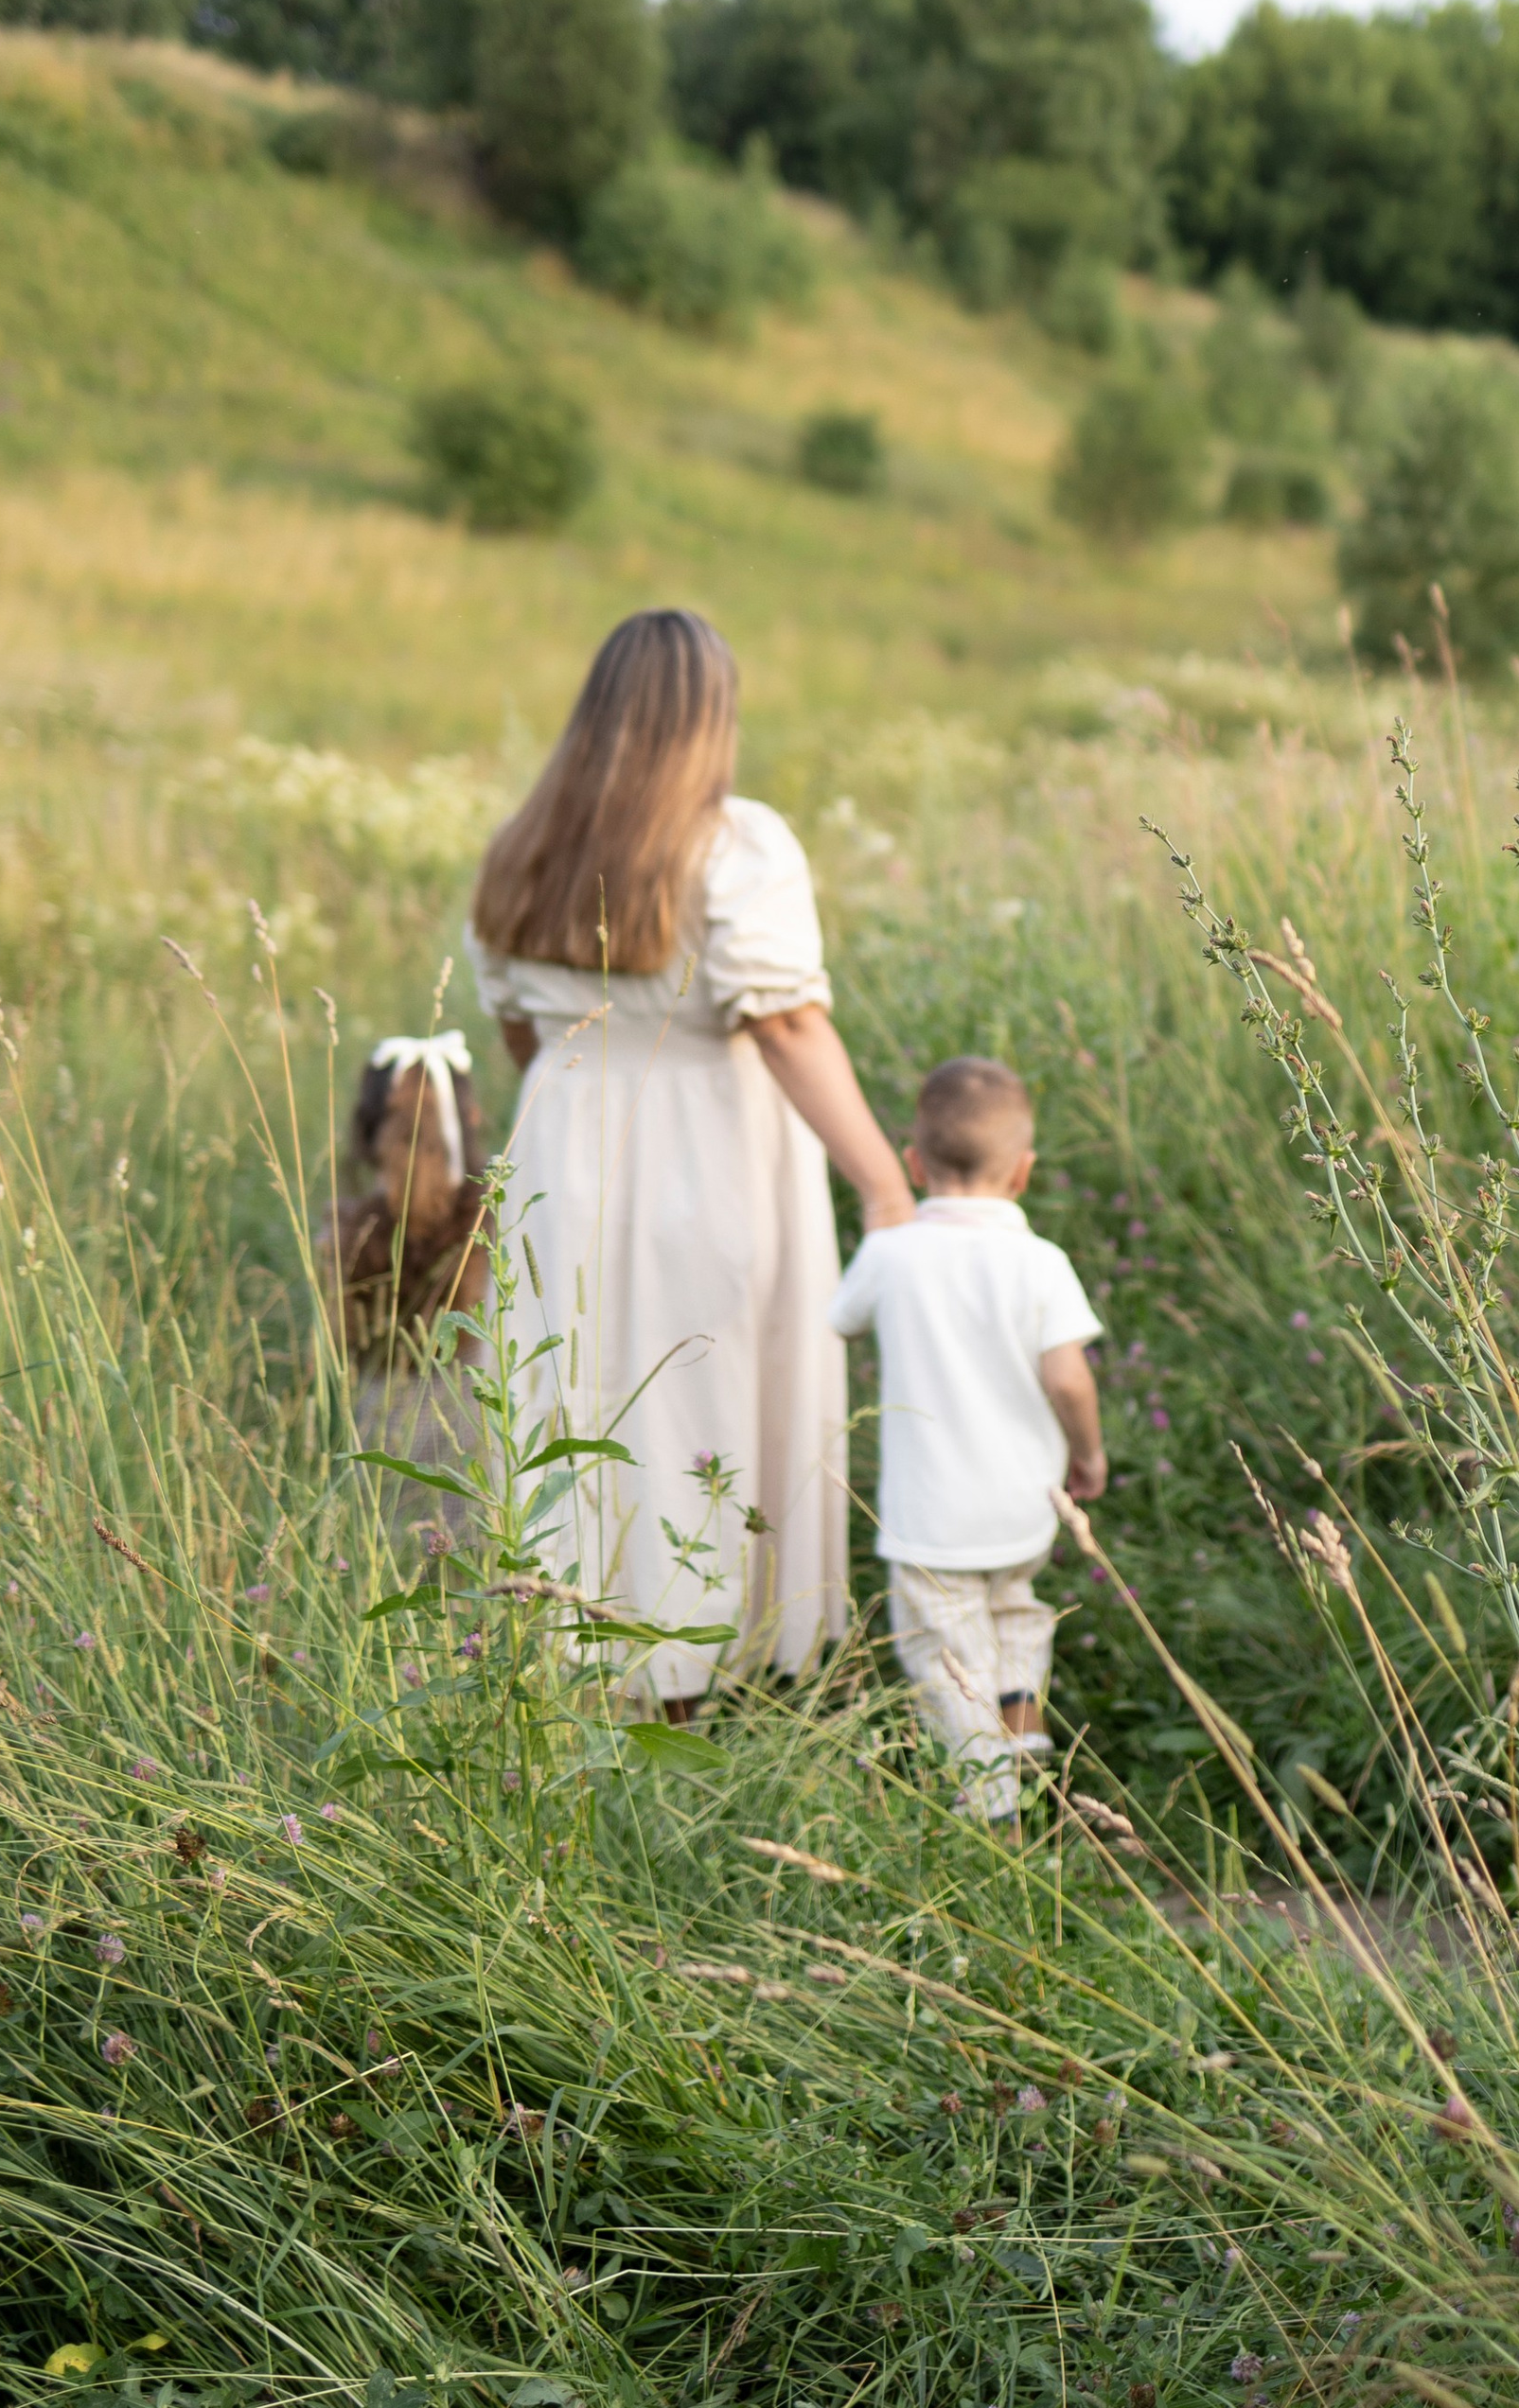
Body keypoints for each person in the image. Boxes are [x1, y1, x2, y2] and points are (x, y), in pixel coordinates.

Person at [465, 608, 911, 1712]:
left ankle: (587, 1656)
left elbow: (516, 1028)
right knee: (703, 1395)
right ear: (710, 717)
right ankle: (698, 1674)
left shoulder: (527, 844)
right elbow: (788, 1026)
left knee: (582, 1393)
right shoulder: (734, 846)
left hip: (561, 1141)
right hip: (710, 1142)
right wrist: (885, 1186)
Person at [828, 1055, 1104, 1815]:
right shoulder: (1041, 1262)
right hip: (1023, 1508)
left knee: (947, 1658)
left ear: (913, 1163)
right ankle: (1024, 1743)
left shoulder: (890, 1254)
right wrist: (1088, 1454)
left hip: (930, 1519)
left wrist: (877, 1235)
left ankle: (997, 1821)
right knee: (1014, 1607)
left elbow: (841, 1322)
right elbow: (1070, 1379)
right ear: (1024, 1172)